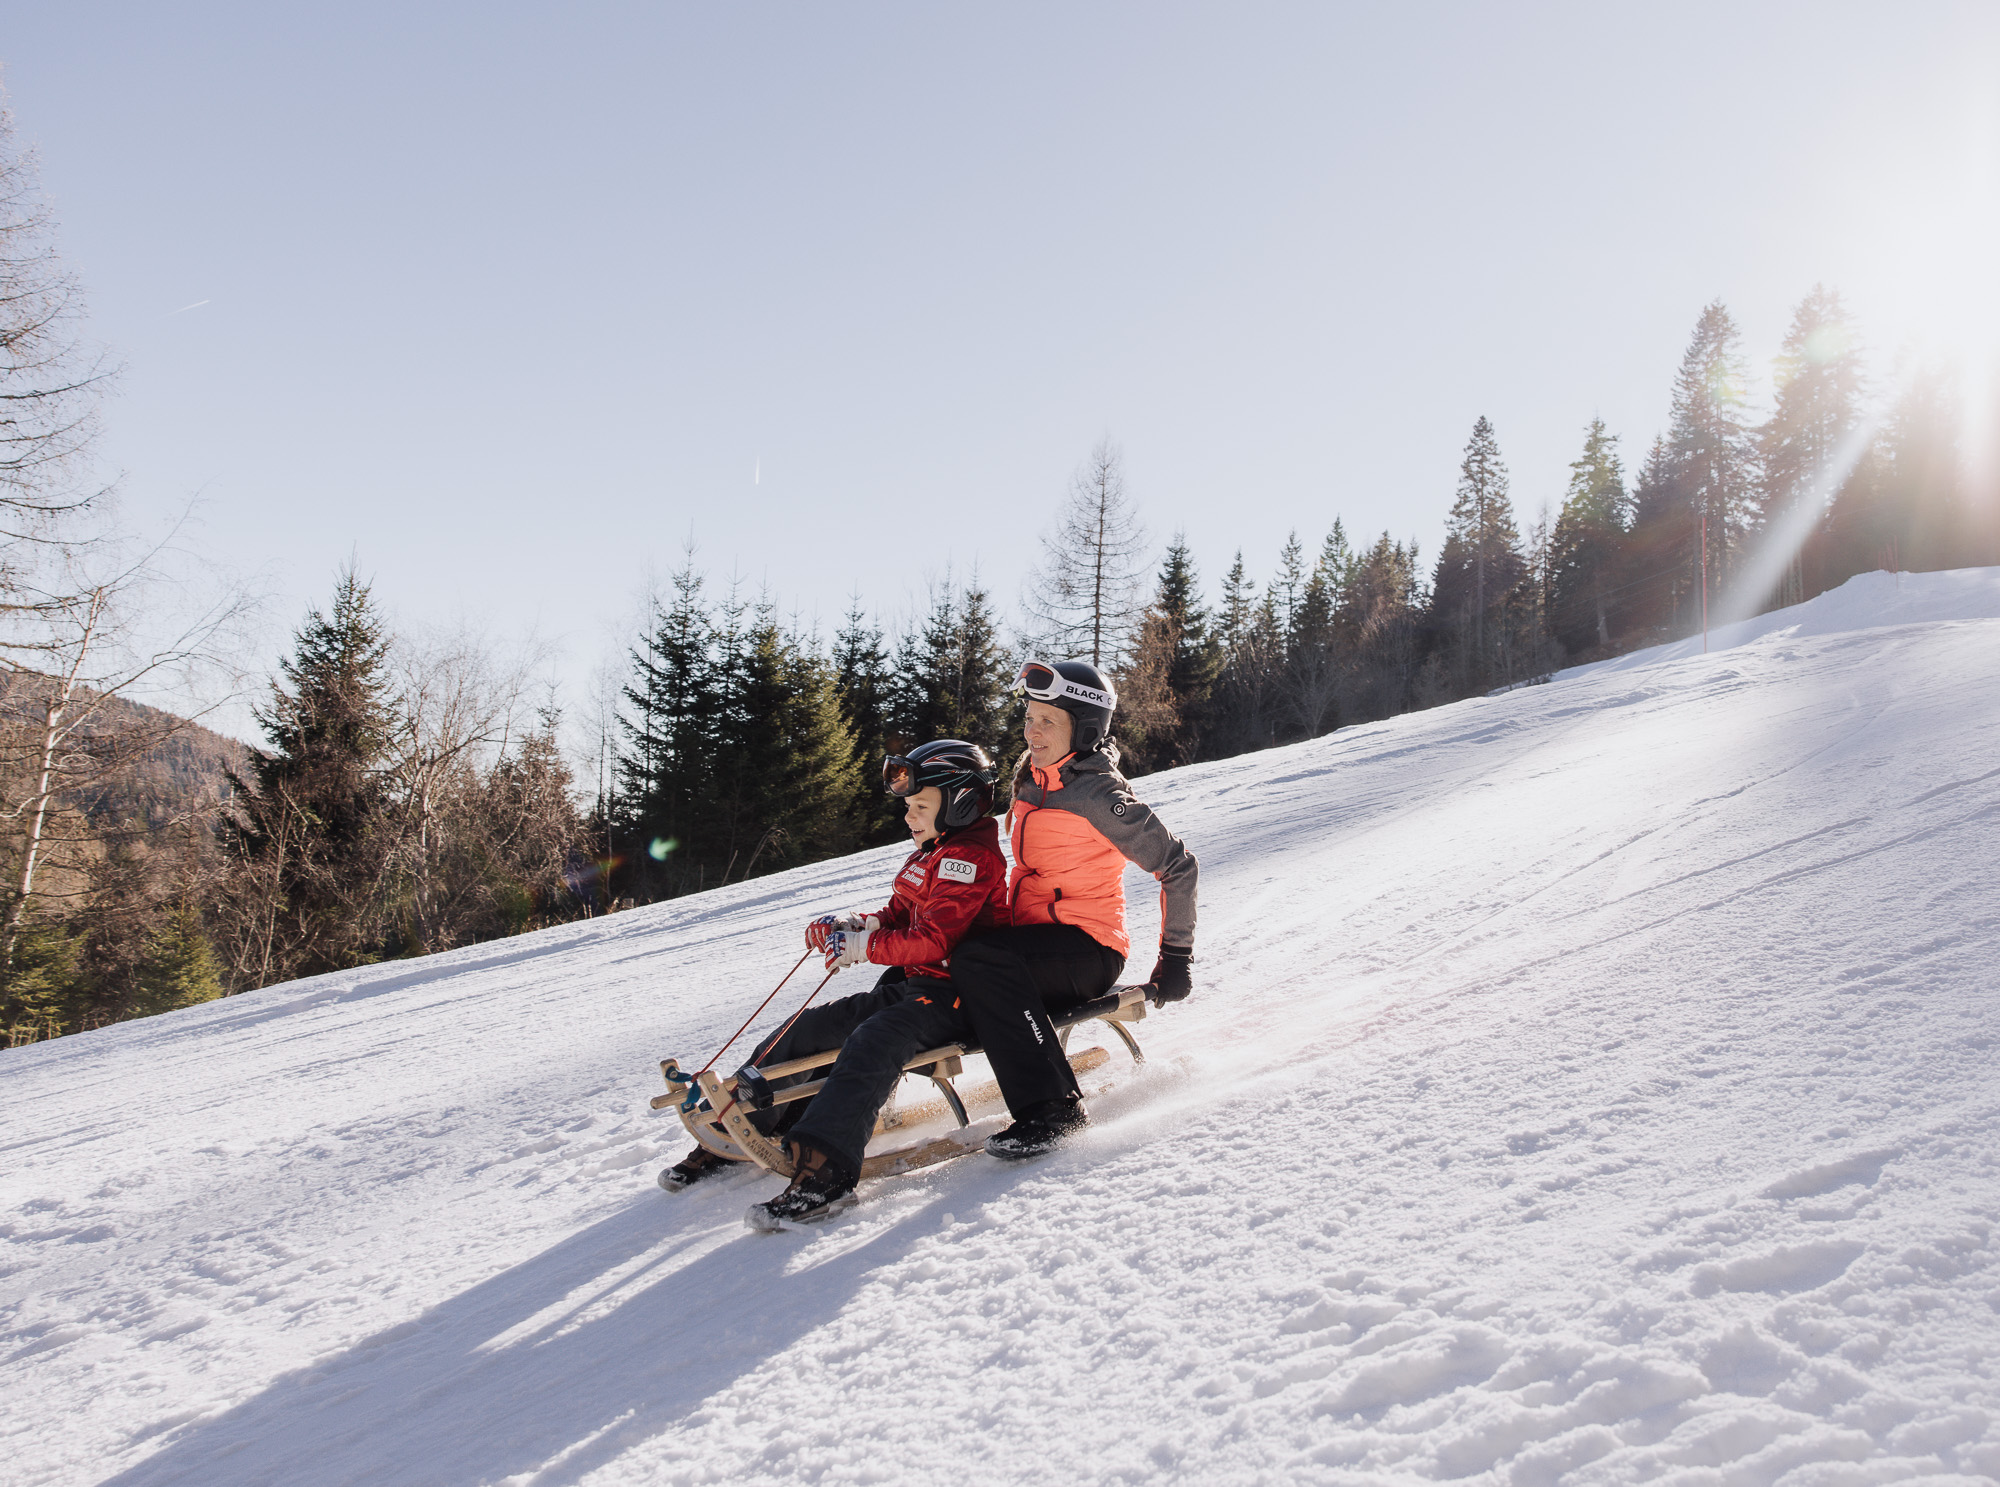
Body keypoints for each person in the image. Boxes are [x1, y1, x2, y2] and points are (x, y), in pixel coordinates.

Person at [660, 739, 1010, 1228]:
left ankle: (825, 1171)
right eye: (907, 806)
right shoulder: (929, 855)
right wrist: (853, 924)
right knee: (806, 1029)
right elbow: (896, 916)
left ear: (961, 804)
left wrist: (863, 948)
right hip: (917, 991)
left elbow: (932, 939)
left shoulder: (968, 860)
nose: (909, 816)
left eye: (921, 806)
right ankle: (739, 1132)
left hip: (962, 997)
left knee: (872, 1041)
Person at [948, 659, 1198, 1159]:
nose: (1032, 731)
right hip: (1033, 940)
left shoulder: (1101, 794)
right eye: (1029, 718)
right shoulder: (1033, 777)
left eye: (1048, 721)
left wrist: (1175, 959)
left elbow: (1178, 866)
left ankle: (1053, 1110)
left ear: (1083, 730)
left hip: (1088, 947)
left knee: (980, 961)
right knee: (939, 950)